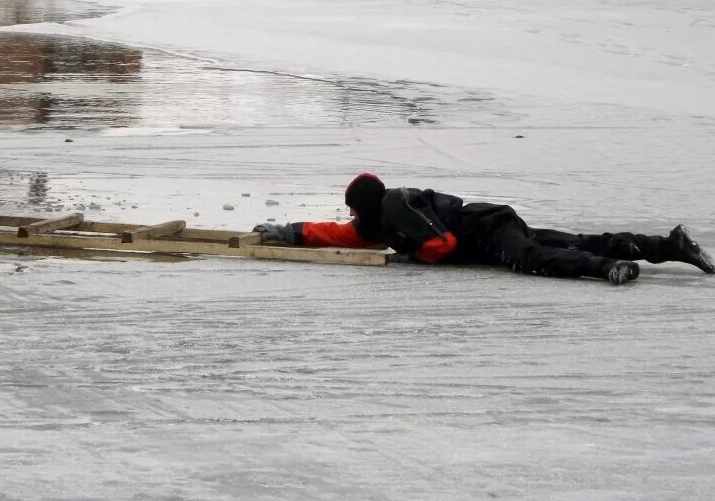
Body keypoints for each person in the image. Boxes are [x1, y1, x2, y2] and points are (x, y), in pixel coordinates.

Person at [254, 173, 714, 285]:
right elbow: (337, 235)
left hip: (487, 229)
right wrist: (290, 232)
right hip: (492, 225)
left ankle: (611, 266)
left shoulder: (397, 204)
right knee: (572, 240)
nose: (353, 219)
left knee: (533, 259)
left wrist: (415, 257)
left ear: (366, 204)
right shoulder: (380, 220)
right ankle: (667, 246)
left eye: (354, 210)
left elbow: (442, 242)